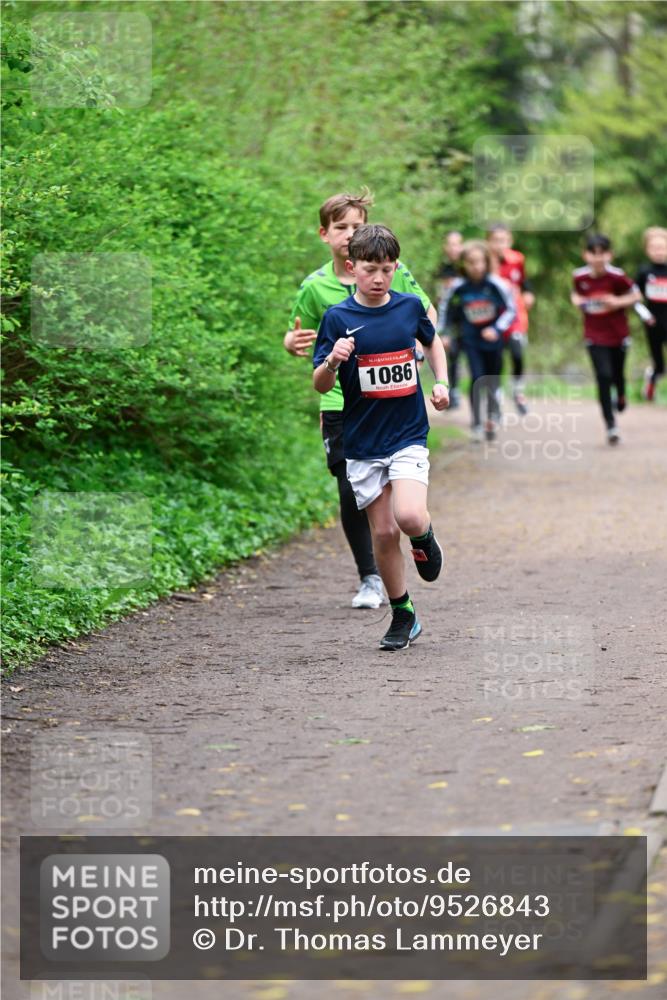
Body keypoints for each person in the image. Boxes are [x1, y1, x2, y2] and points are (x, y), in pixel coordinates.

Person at [284, 189, 439, 610]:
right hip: (339, 400)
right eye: (342, 227)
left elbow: (425, 317)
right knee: (353, 492)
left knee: (403, 509)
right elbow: (301, 333)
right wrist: (293, 343)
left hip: (395, 405)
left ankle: (404, 550)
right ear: (326, 235)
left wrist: (422, 352)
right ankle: (371, 575)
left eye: (357, 225)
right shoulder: (316, 288)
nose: (350, 233)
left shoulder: (392, 271)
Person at [313, 224, 449, 651]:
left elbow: (434, 342)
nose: (379, 278)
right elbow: (319, 383)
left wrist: (442, 381)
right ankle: (403, 614)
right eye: (371, 269)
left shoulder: (408, 308)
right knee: (385, 534)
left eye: (388, 270)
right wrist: (332, 362)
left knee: (409, 517)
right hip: (362, 442)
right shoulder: (337, 318)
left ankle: (425, 538)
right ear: (352, 268)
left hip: (407, 434)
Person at [438, 240, 515, 442]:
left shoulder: (496, 285)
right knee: (477, 378)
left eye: (480, 262)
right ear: (464, 264)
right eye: (471, 262)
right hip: (470, 340)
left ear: (487, 262)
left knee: (492, 379)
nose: (476, 267)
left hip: (493, 341)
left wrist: (497, 328)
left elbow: (511, 310)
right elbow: (445, 311)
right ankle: (477, 423)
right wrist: (444, 333)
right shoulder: (457, 287)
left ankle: (491, 415)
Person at [571, 233, 641, 445]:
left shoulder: (618, 277)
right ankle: (610, 425)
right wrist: (579, 302)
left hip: (618, 334)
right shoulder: (579, 277)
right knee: (603, 376)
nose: (598, 258)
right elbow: (574, 295)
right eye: (593, 254)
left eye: (602, 254)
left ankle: (620, 394)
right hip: (594, 335)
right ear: (586, 255)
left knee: (617, 375)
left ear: (609, 255)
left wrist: (616, 302)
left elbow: (636, 295)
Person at [487, 223, 535, 416]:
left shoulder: (517, 259)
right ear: (488, 242)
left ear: (510, 241)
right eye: (496, 241)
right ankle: (496, 398)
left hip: (515, 316)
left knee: (517, 352)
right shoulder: (483, 262)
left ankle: (518, 391)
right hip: (492, 318)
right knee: (496, 360)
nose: (500, 245)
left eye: (504, 240)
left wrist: (529, 294)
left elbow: (523, 281)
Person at [635, 226, 667, 402]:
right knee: (659, 365)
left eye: (662, 247)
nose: (659, 251)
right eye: (655, 248)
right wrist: (645, 315)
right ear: (647, 250)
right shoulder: (644, 272)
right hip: (653, 323)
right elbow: (634, 297)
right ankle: (651, 383)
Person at [435, 230, 464, 409]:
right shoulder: (440, 270)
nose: (454, 248)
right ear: (445, 247)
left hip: (466, 319)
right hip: (449, 319)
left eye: (457, 244)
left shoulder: (468, 267)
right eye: (450, 244)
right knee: (452, 353)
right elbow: (440, 299)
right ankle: (452, 391)